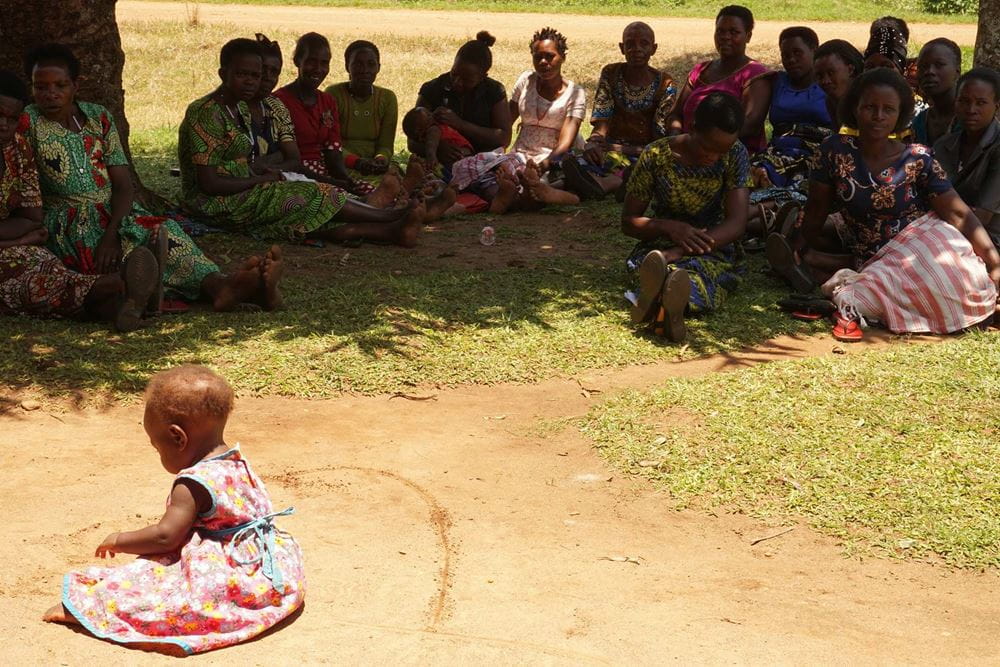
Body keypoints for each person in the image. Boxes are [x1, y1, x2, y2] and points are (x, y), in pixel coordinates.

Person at [43, 365, 306, 655]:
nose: (158, 453)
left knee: (146, 583)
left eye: (157, 446)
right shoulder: (236, 461)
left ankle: (86, 609)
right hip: (265, 571)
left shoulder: (192, 484)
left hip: (226, 573)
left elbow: (164, 537)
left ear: (178, 438)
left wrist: (119, 539)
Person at [24, 44, 282, 313]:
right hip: (68, 222)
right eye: (40, 87)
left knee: (165, 233)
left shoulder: (98, 118)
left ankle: (220, 285)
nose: (50, 94)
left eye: (60, 85)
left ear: (76, 85)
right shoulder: (28, 122)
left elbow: (123, 185)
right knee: (120, 256)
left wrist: (113, 232)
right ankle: (229, 291)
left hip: (115, 213)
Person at [768, 69, 999, 337]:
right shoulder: (833, 150)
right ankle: (808, 262)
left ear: (900, 114)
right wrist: (798, 244)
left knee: (953, 284)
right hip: (870, 251)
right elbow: (817, 209)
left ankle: (817, 267)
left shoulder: (918, 159)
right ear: (855, 109)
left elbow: (959, 214)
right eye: (870, 107)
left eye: (888, 109)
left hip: (922, 243)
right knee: (861, 297)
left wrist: (993, 260)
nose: (878, 116)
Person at [180, 39, 423, 247]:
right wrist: (262, 179)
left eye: (256, 75)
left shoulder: (241, 108)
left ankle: (384, 226)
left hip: (246, 188)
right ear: (223, 74)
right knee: (308, 194)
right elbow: (209, 184)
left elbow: (282, 158)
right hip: (213, 202)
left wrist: (263, 175)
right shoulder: (206, 112)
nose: (252, 82)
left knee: (310, 197)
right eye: (242, 74)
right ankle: (388, 217)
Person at [0, 70, 160, 330]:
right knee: (23, 284)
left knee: (48, 266)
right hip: (12, 245)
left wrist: (23, 238)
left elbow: (31, 218)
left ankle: (118, 304)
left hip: (12, 247)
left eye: (12, 118)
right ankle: (117, 285)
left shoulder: (18, 149)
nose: (4, 125)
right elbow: (28, 227)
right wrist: (21, 238)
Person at [622, 92, 750, 342]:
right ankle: (667, 305)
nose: (713, 157)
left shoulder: (736, 153)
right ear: (693, 128)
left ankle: (666, 305)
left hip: (713, 245)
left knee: (700, 274)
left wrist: (680, 250)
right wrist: (668, 227)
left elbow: (736, 223)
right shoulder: (656, 155)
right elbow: (628, 222)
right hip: (660, 244)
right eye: (707, 147)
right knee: (650, 266)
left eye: (720, 152)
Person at [566, 21, 675, 199]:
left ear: (654, 49)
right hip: (609, 149)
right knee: (584, 159)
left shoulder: (665, 84)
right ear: (622, 48)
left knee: (649, 165)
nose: (636, 49)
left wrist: (619, 149)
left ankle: (608, 183)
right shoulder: (611, 73)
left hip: (643, 152)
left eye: (644, 44)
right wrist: (593, 143)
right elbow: (601, 124)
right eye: (630, 44)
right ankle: (559, 186)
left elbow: (658, 142)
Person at [274, 33, 381, 198]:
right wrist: (335, 183)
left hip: (326, 173)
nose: (318, 69)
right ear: (297, 61)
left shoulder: (327, 101)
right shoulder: (279, 101)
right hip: (295, 175)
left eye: (324, 63)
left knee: (370, 193)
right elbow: (289, 159)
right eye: (311, 62)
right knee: (340, 199)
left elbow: (334, 151)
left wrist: (345, 180)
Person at [669, 5, 772, 154]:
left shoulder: (755, 74)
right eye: (720, 31)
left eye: (734, 32)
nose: (725, 37)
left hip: (728, 156)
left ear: (748, 36)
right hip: (686, 149)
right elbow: (676, 113)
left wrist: (703, 143)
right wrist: (675, 137)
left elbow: (750, 125)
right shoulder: (701, 70)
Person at [414, 31, 512, 165]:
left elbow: (504, 138)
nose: (457, 82)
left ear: (483, 76)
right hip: (439, 164)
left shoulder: (494, 91)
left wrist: (460, 124)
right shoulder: (432, 89)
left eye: (467, 80)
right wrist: (436, 147)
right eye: (454, 74)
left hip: (482, 164)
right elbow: (412, 139)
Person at [934, 68, 1000, 250]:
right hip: (944, 231)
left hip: (988, 240)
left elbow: (982, 216)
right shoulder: (944, 145)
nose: (971, 110)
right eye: (964, 101)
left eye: (981, 103)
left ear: (997, 106)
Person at [326, 40, 398, 176]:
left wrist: (381, 159)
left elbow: (386, 145)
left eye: (371, 64)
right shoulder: (333, 94)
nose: (365, 70)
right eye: (358, 64)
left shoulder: (387, 98)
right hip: (340, 163)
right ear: (347, 67)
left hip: (374, 165)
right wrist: (357, 162)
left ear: (379, 67)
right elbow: (330, 143)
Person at [248, 33, 302, 174]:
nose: (268, 78)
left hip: (272, 181)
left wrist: (268, 165)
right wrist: (278, 156)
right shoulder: (231, 109)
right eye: (263, 70)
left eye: (274, 72)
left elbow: (294, 159)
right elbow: (240, 167)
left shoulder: (276, 106)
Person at [912, 38, 962, 145]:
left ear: (957, 71)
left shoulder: (970, 119)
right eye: (923, 66)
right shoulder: (920, 122)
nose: (929, 71)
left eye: (939, 65)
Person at [813, 39, 864, 129]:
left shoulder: (868, 100)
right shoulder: (831, 101)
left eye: (831, 73)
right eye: (819, 76)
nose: (825, 81)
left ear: (850, 70)